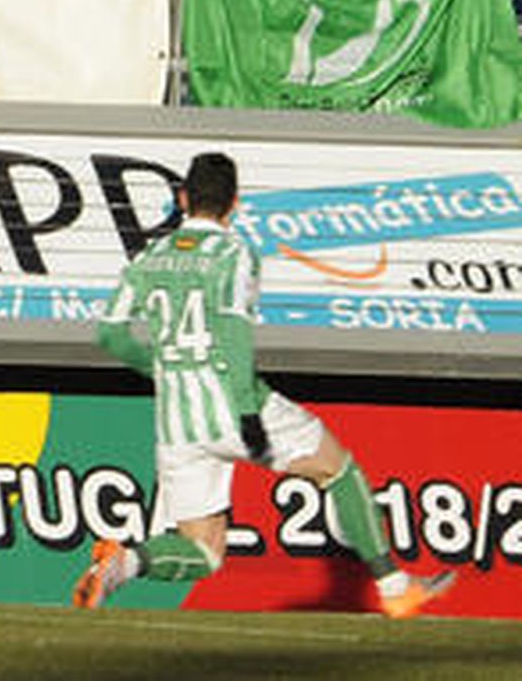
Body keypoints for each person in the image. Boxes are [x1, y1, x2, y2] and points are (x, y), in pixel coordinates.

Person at [74, 150, 456, 619]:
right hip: (236, 407)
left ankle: (124, 564)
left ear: (182, 198)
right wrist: (247, 413)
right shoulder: (234, 255)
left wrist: (165, 369)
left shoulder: (151, 256)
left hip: (177, 423)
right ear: (235, 204)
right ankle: (396, 588)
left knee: (205, 553)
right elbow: (232, 333)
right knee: (339, 471)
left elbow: (110, 334)